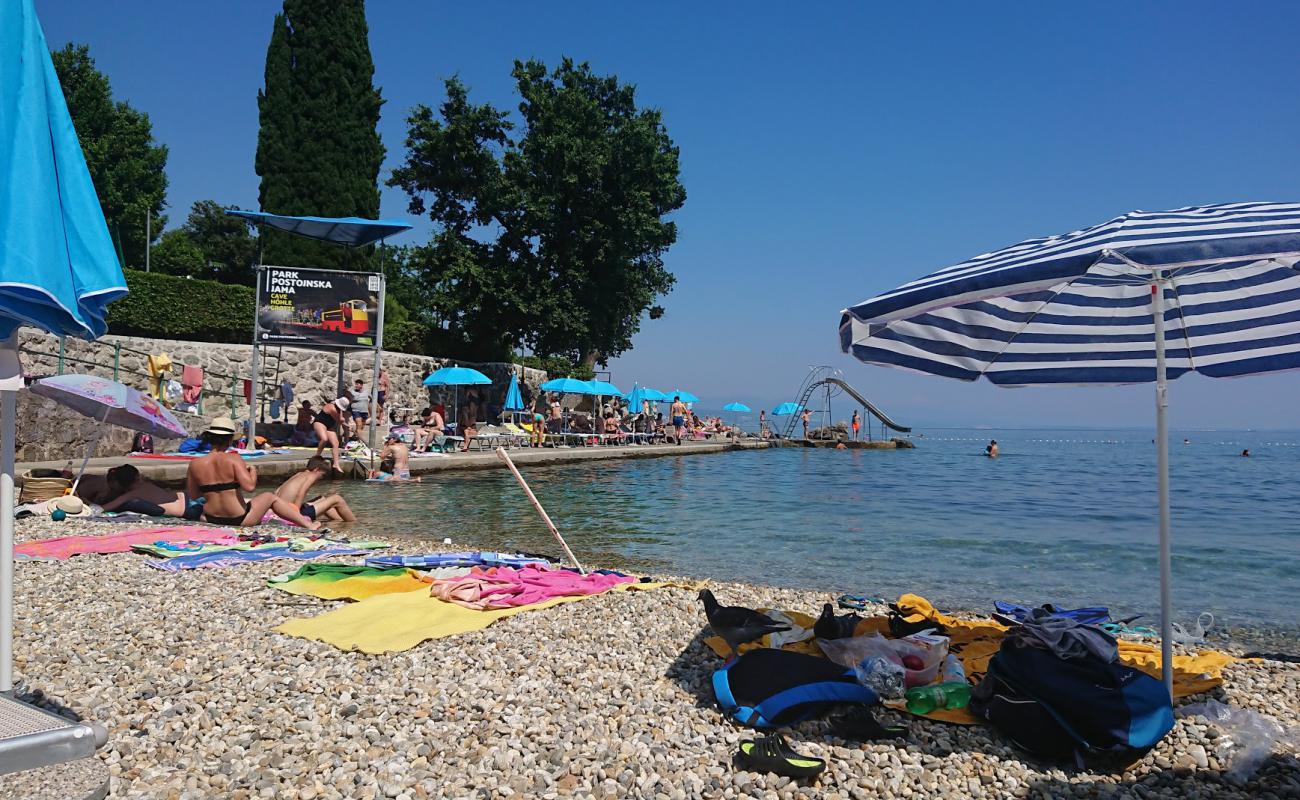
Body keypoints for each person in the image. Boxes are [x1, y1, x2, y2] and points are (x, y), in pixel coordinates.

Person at [186, 417, 318, 529]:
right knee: (270, 497)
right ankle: (308, 525)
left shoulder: (195, 464)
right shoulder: (233, 459)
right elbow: (249, 487)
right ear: (229, 439)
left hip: (211, 518)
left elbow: (194, 494)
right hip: (239, 519)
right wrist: (252, 471)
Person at [100, 464, 201, 519]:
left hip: (186, 510)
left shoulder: (133, 494)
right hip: (185, 498)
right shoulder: (148, 484)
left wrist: (87, 504)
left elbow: (104, 508)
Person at [274, 456, 356, 522]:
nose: (321, 478)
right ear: (316, 470)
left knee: (322, 499)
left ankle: (339, 521)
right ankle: (353, 523)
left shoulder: (298, 475)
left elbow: (277, 491)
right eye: (322, 475)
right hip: (290, 515)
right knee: (337, 499)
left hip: (280, 512)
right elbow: (301, 493)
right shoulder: (312, 475)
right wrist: (297, 516)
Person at [313, 397, 350, 473]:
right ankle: (316, 456)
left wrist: (347, 425)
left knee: (336, 443)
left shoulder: (338, 409)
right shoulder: (331, 408)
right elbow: (340, 420)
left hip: (329, 425)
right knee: (324, 439)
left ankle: (336, 464)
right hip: (320, 422)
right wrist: (344, 421)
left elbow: (341, 419)